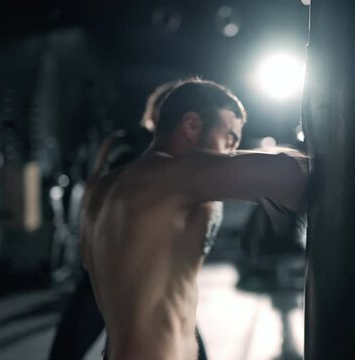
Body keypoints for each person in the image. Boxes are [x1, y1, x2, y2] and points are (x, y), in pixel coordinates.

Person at [81, 77, 307, 359]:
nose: (229, 151)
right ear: (191, 126)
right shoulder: (172, 175)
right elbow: (293, 176)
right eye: (229, 138)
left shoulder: (99, 192)